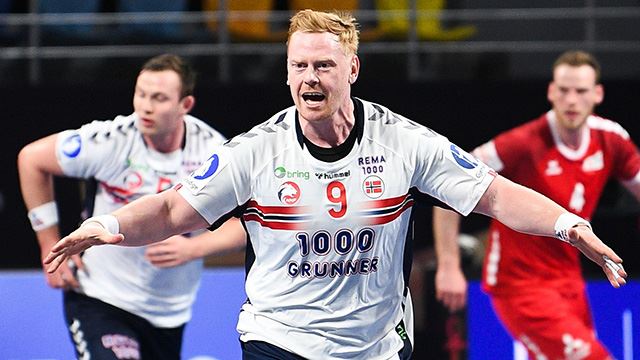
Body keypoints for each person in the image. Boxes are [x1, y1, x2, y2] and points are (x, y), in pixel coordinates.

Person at [44, 12, 627, 359]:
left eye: (322, 66)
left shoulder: (404, 142)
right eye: (298, 67)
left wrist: (570, 226)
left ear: (351, 69)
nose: (308, 79)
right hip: (281, 337)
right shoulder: (255, 150)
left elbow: (495, 195)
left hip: (375, 344)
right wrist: (106, 226)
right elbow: (173, 210)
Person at [18, 53, 246, 360]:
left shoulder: (213, 150)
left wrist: (195, 248)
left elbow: (247, 221)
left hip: (169, 311)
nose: (146, 106)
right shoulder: (110, 140)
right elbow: (31, 160)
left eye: (159, 98)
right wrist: (48, 242)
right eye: (141, 94)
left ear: (185, 105)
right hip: (101, 297)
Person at [433, 50, 640, 360]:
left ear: (597, 94)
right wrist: (448, 265)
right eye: (564, 90)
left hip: (569, 278)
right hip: (518, 284)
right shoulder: (522, 143)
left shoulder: (611, 139)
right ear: (551, 92)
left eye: (581, 91)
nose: (572, 100)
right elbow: (447, 182)